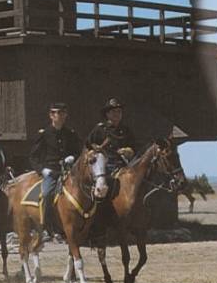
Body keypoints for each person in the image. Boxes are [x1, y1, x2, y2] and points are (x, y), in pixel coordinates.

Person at [28, 103, 82, 241]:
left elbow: (79, 151)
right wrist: (42, 170)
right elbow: (33, 157)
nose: (60, 116)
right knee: (46, 194)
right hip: (51, 172)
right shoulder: (44, 134)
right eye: (57, 113)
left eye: (63, 113)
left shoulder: (70, 134)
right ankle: (45, 227)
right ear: (51, 115)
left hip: (68, 171)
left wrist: (73, 157)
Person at [86, 97, 137, 174]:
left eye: (119, 111)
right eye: (113, 111)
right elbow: (88, 146)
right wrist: (93, 151)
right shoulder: (99, 129)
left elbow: (134, 148)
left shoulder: (126, 131)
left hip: (123, 166)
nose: (117, 114)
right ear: (107, 114)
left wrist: (128, 151)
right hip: (103, 167)